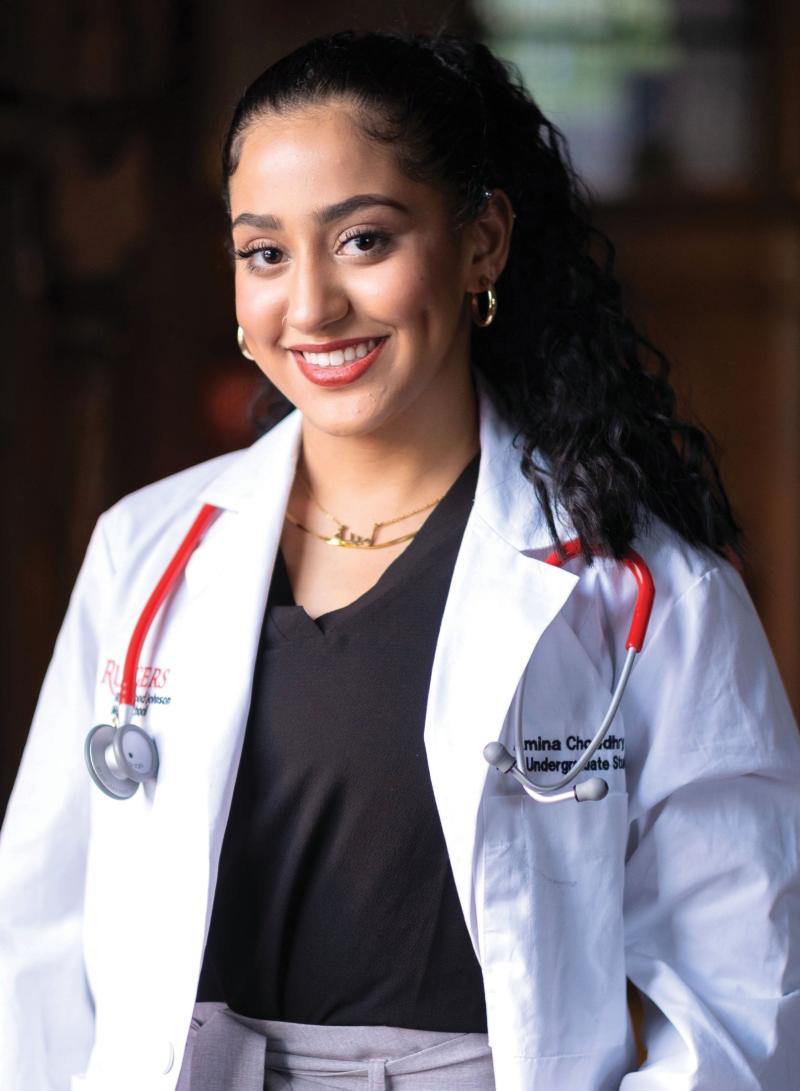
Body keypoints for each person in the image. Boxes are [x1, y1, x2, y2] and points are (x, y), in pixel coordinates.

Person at [1, 28, 799, 1091]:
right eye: (264, 252)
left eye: (363, 240)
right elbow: (42, 941)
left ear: (480, 244)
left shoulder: (645, 591)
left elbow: (733, 994)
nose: (311, 305)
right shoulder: (144, 553)